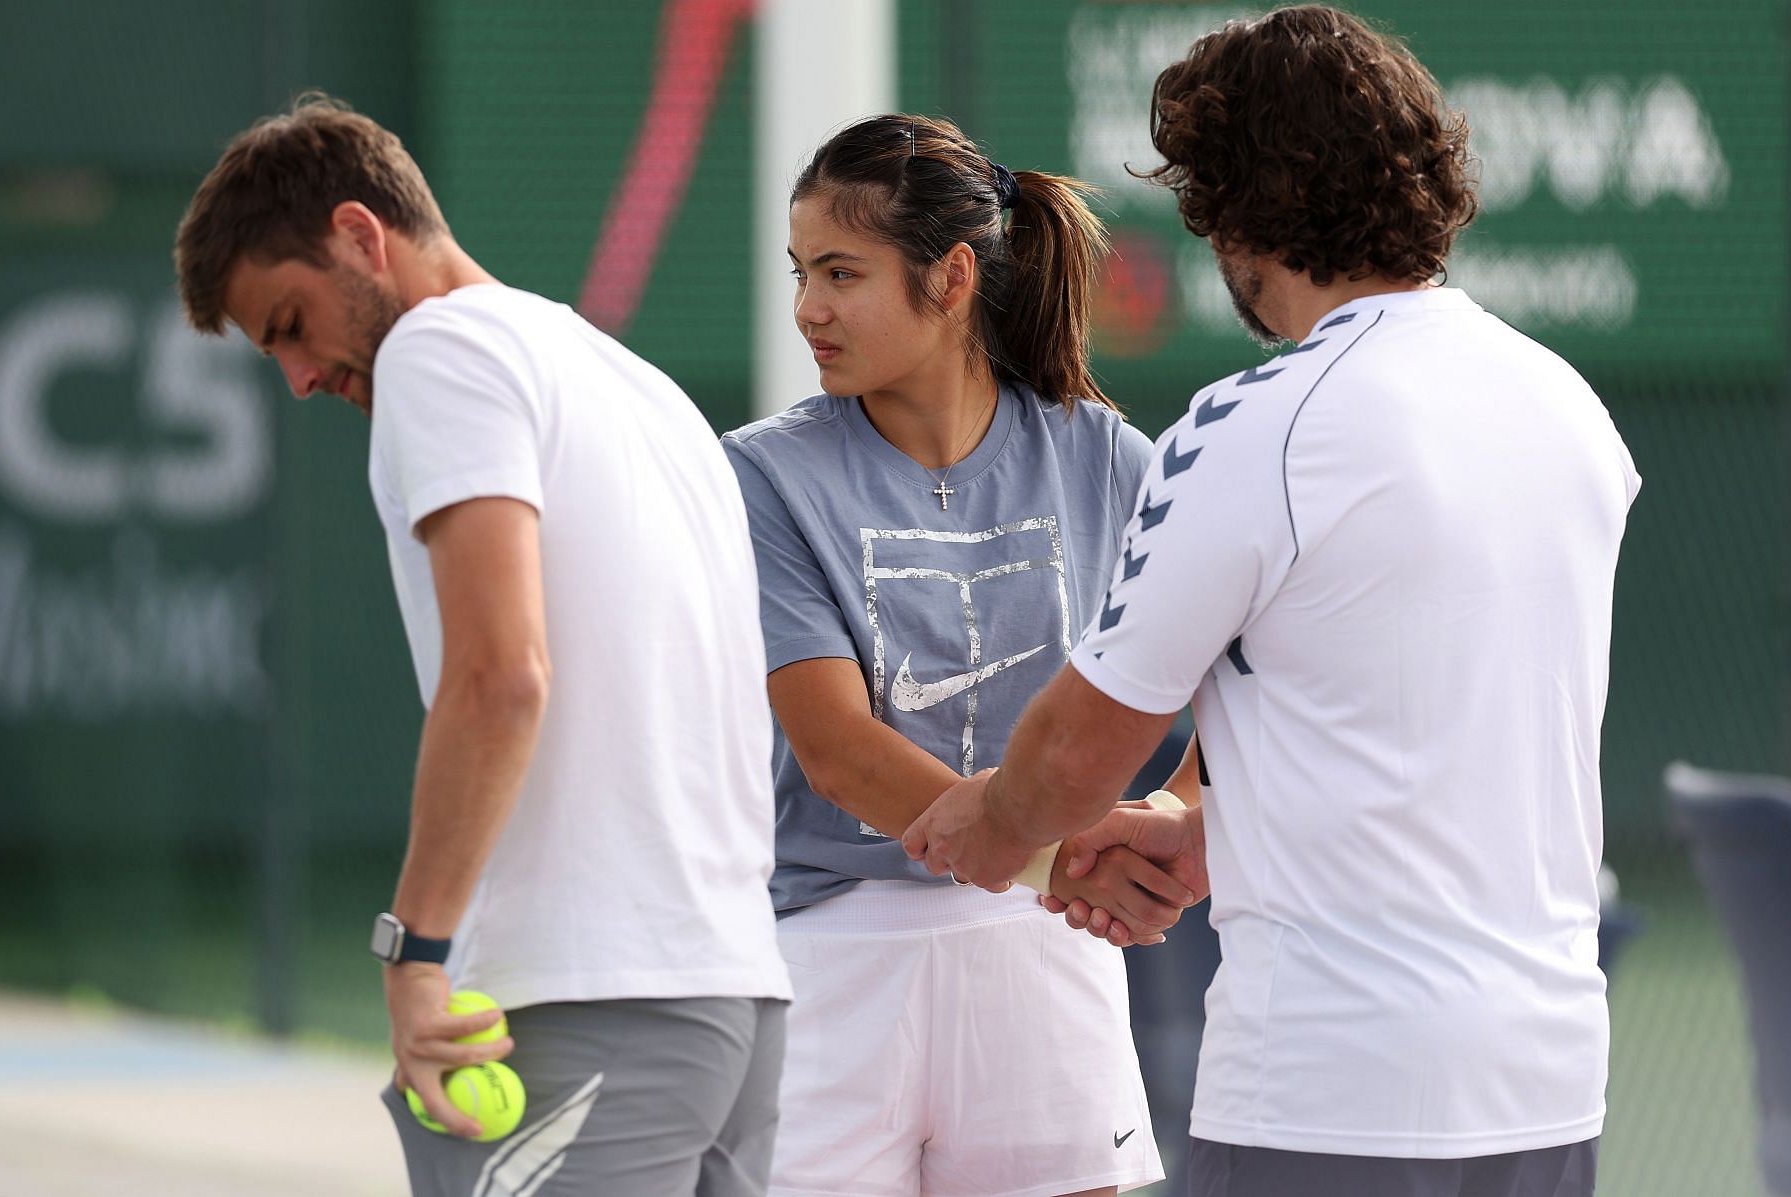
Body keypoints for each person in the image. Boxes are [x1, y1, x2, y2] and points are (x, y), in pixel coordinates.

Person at [904, 8, 1639, 1197]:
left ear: (1237, 213)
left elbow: (1086, 746)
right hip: (1547, 1084)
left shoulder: (1256, 425)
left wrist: (988, 829)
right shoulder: (1566, 410)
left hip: (1330, 1096)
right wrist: (1199, 829)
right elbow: (1402, 699)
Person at [175, 95, 791, 1196]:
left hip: (581, 1008)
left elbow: (501, 677)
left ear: (362, 237)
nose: (300, 377)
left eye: (289, 324)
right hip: (733, 1007)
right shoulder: (641, 388)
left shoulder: (438, 349)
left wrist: (414, 949)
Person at [722, 114, 1194, 1197]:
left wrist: (1171, 824)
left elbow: (1249, 688)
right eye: (801, 274)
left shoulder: (1112, 460)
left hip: (1050, 951)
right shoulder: (759, 476)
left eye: (842, 272)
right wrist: (1065, 859)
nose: (809, 310)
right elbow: (840, 751)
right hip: (835, 956)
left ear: (952, 278)